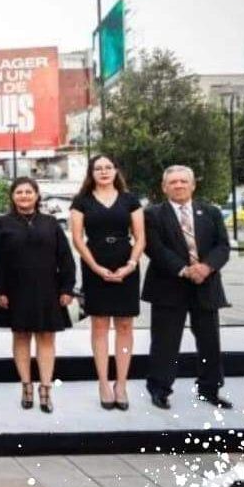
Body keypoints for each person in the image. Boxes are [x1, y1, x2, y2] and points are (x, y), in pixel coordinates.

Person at [143, 165, 232, 410]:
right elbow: (155, 248)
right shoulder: (152, 215)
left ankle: (210, 389)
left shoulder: (211, 212)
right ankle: (159, 389)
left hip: (206, 283)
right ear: (164, 187)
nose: (179, 185)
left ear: (193, 185)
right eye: (173, 182)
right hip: (168, 285)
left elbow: (223, 246)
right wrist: (185, 269)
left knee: (209, 340)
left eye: (184, 181)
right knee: (165, 342)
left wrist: (206, 268)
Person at [0, 178, 76, 413]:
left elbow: (65, 258)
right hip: (14, 292)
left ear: (37, 195)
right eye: (19, 192)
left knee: (46, 339)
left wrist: (67, 288)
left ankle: (45, 389)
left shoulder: (50, 223)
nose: (24, 196)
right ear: (12, 196)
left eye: (29, 192)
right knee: (21, 337)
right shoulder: (3, 223)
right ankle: (26, 386)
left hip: (48, 290)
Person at [69, 154, 145, 410]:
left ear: (115, 171)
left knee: (125, 326)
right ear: (91, 173)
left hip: (127, 264)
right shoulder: (82, 201)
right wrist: (95, 267)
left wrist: (130, 265)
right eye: (98, 168)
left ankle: (121, 384)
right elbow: (78, 239)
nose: (103, 172)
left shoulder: (130, 200)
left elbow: (140, 237)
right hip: (95, 265)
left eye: (108, 167)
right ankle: (103, 383)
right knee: (99, 326)